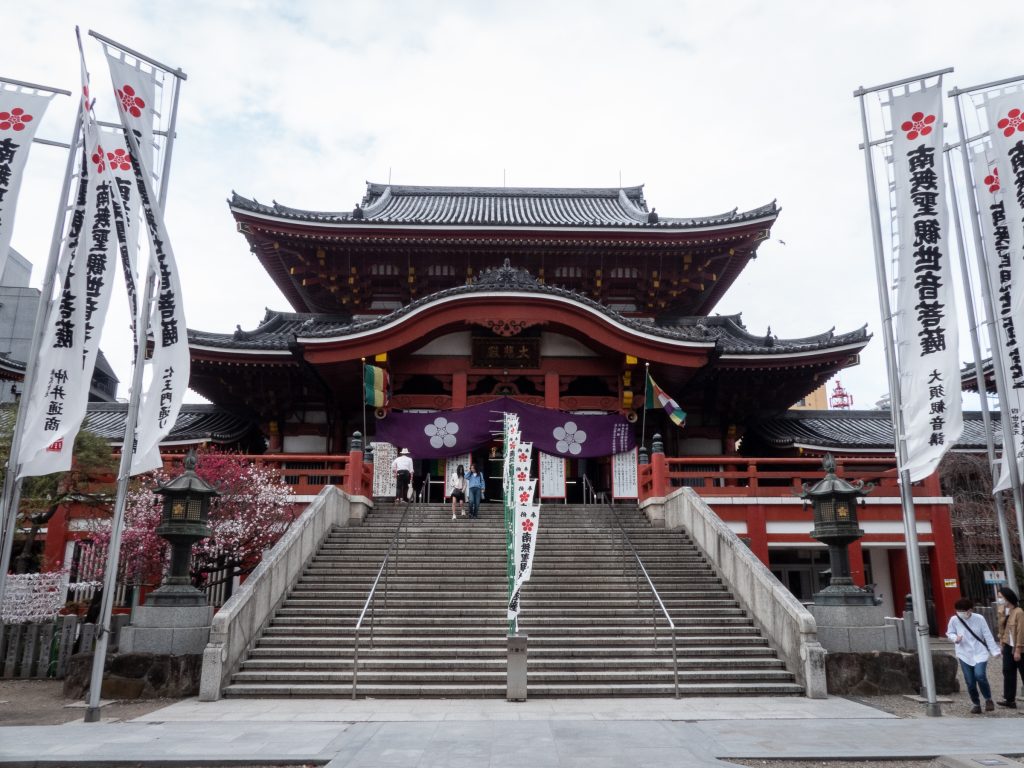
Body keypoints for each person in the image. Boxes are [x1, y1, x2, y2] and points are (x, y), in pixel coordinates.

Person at [945, 597, 1000, 714]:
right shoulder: (954, 619)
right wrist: (955, 638)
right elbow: (950, 632)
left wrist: (994, 651)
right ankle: (976, 703)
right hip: (964, 653)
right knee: (970, 681)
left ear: (970, 610)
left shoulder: (979, 619)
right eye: (958, 611)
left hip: (979, 651)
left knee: (980, 675)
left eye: (962, 611)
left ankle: (988, 699)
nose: (960, 613)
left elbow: (987, 634)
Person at [996, 586, 1024, 708]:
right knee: (1007, 671)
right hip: (1007, 645)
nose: (999, 599)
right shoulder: (1002, 610)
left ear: (1008, 597)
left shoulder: (1019, 612)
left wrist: (1018, 649)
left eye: (1001, 597)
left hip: (1018, 646)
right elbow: (1001, 629)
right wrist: (1001, 643)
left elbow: (1021, 631)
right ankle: (1009, 699)